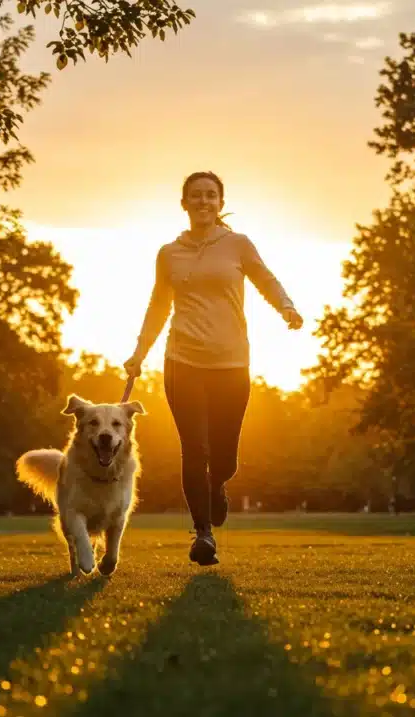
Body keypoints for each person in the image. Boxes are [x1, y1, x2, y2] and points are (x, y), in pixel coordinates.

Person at [123, 171, 303, 566]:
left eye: (210, 195)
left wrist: (286, 306)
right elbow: (158, 305)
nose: (203, 201)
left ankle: (217, 484)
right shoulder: (169, 253)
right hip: (182, 361)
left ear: (220, 202)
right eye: (196, 195)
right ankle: (203, 533)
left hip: (232, 363)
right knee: (194, 449)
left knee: (224, 456)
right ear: (184, 203)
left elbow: (265, 279)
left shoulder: (238, 244)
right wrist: (139, 352)